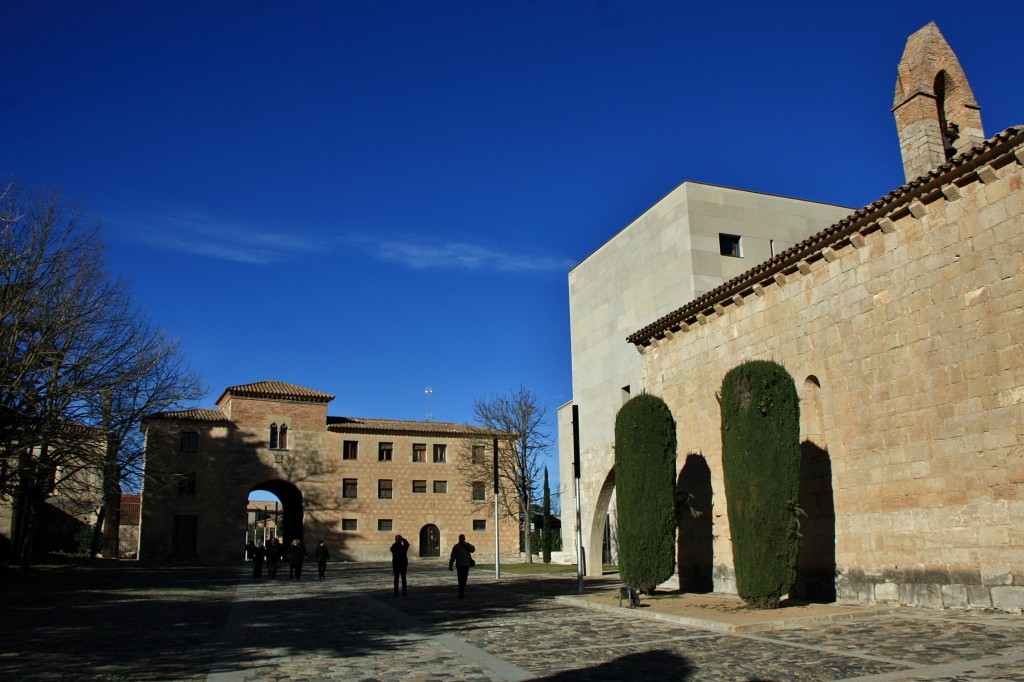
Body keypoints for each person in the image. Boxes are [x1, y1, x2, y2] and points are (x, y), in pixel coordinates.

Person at [448, 534, 476, 598]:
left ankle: (462, 591)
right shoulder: (456, 547)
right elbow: (452, 557)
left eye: (463, 538)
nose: (462, 540)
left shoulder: (466, 546)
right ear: (459, 539)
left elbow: (473, 550)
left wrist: (467, 545)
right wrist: (450, 565)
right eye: (461, 538)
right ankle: (461, 592)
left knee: (464, 579)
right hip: (460, 565)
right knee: (461, 579)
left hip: (465, 565)